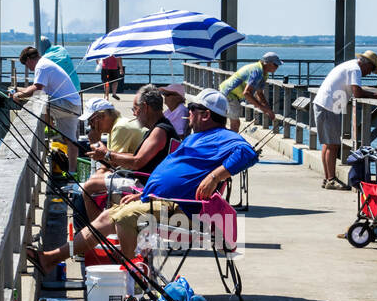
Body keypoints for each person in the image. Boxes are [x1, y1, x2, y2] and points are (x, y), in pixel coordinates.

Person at [28, 89, 257, 273]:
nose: (188, 113)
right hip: (158, 200)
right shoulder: (196, 138)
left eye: (192, 109)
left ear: (205, 114)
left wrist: (214, 176)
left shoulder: (226, 137)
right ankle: (51, 258)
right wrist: (144, 192)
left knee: (126, 219)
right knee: (108, 216)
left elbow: (248, 153)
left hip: (184, 211)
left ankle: (132, 281)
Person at [78, 84, 178, 219]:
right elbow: (137, 157)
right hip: (146, 179)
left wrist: (107, 154)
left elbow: (137, 162)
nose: (134, 113)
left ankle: (98, 232)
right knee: (94, 182)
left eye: (135, 109)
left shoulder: (160, 131)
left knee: (89, 187)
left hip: (144, 184)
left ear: (146, 108)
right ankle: (100, 227)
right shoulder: (160, 128)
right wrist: (108, 154)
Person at [313, 50, 377, 189]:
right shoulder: (355, 69)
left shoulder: (350, 65)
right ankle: (331, 180)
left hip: (324, 104)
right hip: (329, 107)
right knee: (333, 146)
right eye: (371, 69)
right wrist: (376, 95)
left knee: (327, 145)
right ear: (366, 64)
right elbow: (357, 92)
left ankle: (328, 179)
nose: (369, 73)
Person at [11, 45, 83, 170]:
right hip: (74, 105)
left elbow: (37, 89)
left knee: (38, 100)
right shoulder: (46, 63)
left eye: (27, 65)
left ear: (29, 60)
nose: (29, 69)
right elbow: (37, 88)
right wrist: (17, 91)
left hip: (66, 105)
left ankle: (47, 128)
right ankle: (72, 172)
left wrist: (18, 95)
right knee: (71, 141)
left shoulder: (41, 66)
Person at [218, 51, 282, 132]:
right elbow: (247, 93)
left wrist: (268, 109)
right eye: (275, 65)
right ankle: (230, 142)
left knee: (227, 121)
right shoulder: (257, 71)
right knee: (235, 124)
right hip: (229, 93)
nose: (277, 67)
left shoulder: (264, 73)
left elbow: (259, 93)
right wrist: (262, 107)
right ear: (268, 63)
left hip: (230, 92)